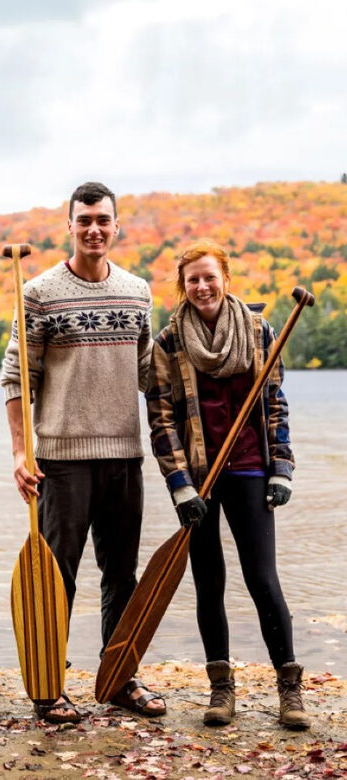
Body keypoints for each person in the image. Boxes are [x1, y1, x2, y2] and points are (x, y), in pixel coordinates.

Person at [1, 182, 166, 722]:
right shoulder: (40, 292)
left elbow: (148, 374)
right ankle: (49, 684)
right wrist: (21, 454)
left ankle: (119, 676)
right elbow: (15, 377)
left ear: (117, 227)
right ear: (69, 227)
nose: (94, 229)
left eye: (104, 220)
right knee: (59, 575)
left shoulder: (138, 291)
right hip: (62, 459)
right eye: (84, 220)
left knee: (121, 573)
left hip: (124, 453)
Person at [146, 239, 310, 730]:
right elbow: (162, 420)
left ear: (225, 278)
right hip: (198, 480)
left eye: (209, 276)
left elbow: (276, 405)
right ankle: (221, 689)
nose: (202, 286)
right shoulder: (170, 343)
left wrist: (282, 468)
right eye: (193, 279)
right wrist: (180, 487)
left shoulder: (261, 333)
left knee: (262, 579)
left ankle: (290, 689)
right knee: (209, 582)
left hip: (250, 470)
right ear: (183, 285)